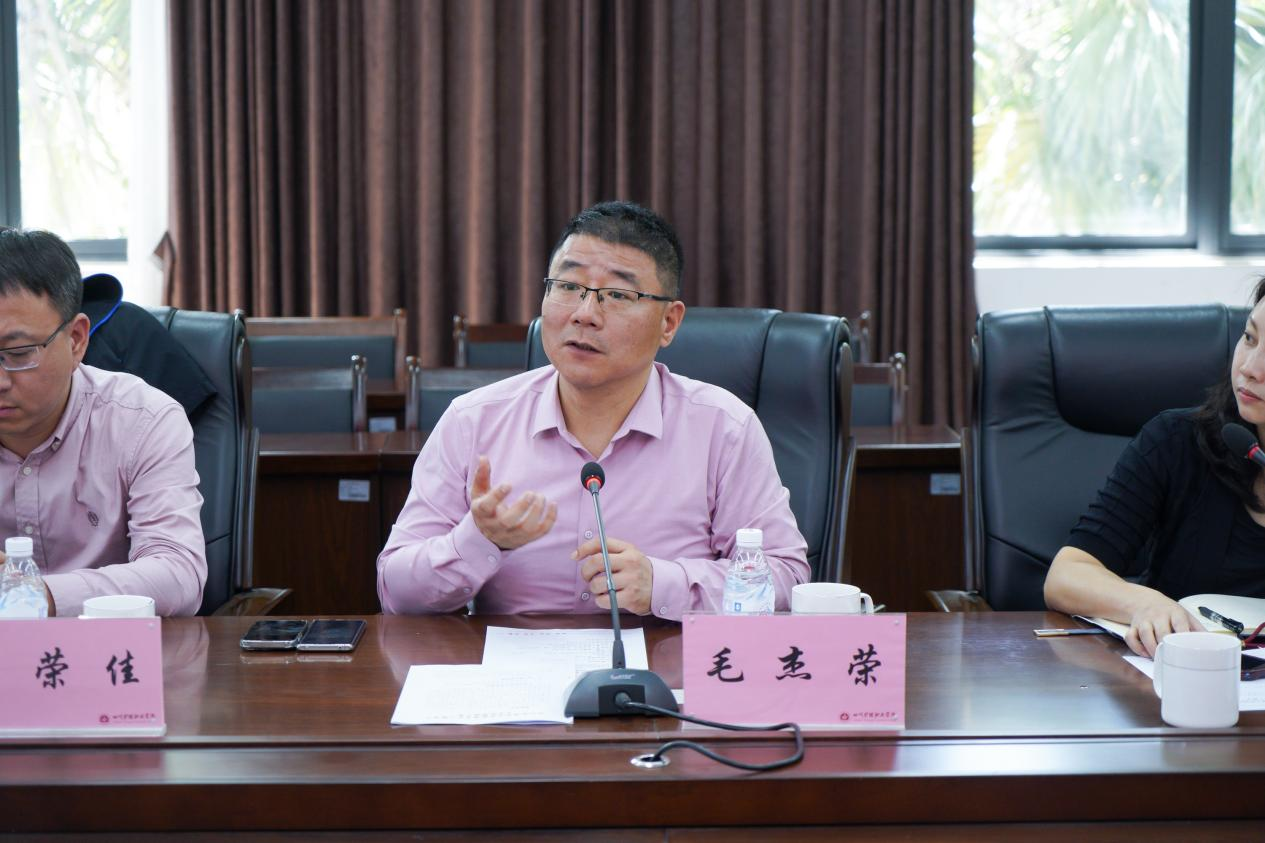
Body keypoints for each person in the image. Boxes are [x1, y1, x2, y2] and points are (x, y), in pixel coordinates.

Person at [377, 201, 809, 618]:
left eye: (617, 294)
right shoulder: (473, 421)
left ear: (669, 323)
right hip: (516, 665)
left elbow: (786, 578)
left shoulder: (723, 428)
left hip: (665, 665)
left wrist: (663, 584)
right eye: (568, 287)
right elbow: (395, 592)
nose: (585, 314)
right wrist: (477, 540)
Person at [1045, 276, 1265, 657]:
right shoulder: (1177, 441)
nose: (1250, 368)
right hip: (1173, 677)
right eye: (1249, 338)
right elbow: (1067, 574)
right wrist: (1143, 603)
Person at [0, 228, 206, 617]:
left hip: (113, 650)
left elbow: (178, 574)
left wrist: (34, 594)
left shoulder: (143, 420)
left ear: (77, 340)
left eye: (19, 353)